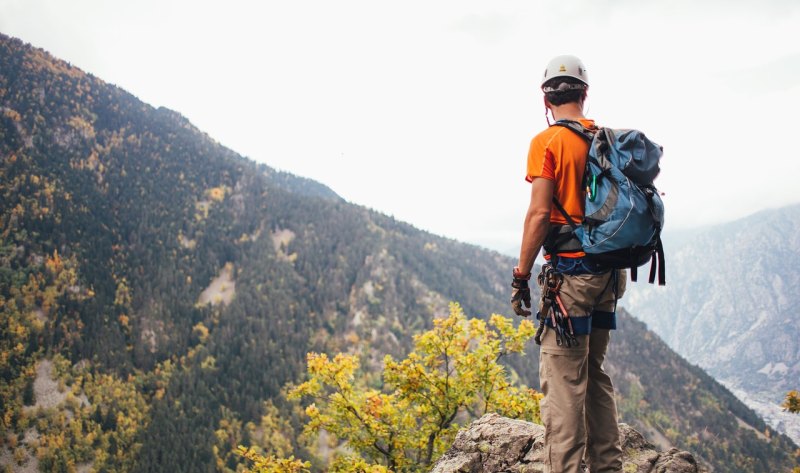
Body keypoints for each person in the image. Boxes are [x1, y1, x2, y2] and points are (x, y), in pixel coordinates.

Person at [511, 55, 626, 473]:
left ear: (545, 98)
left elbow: (539, 215)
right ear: (584, 94)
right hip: (610, 275)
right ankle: (607, 466)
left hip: (570, 283)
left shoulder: (547, 143)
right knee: (593, 372)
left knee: (563, 384)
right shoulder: (606, 138)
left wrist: (521, 276)